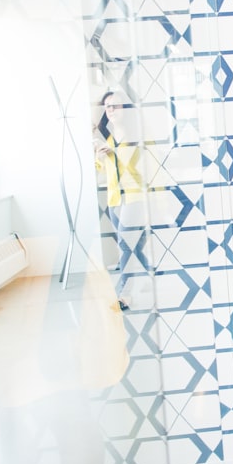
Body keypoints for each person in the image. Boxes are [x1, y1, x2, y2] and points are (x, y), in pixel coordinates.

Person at [92, 90, 142, 311]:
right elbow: (103, 170)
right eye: (108, 106)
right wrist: (100, 157)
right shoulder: (109, 138)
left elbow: (142, 167)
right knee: (131, 245)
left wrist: (115, 153)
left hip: (134, 197)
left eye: (116, 105)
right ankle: (143, 273)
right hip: (114, 198)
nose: (111, 110)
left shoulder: (136, 135)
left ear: (125, 109)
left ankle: (125, 294)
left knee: (125, 245)